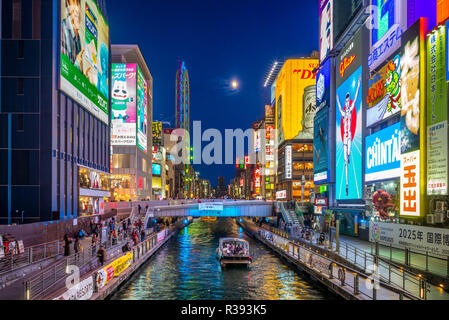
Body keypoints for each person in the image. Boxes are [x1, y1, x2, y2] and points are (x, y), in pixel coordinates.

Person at [337, 74, 362, 196]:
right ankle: (347, 185)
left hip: (349, 135)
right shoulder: (343, 112)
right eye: (346, 100)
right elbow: (338, 106)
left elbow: (356, 98)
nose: (347, 102)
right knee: (345, 162)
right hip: (345, 139)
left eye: (347, 100)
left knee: (348, 154)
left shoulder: (350, 109)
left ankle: (349, 154)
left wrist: (358, 85)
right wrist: (336, 99)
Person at [61, 0, 83, 72]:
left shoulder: (77, 37)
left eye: (78, 3)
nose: (77, 9)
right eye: (73, 2)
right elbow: (63, 68)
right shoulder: (62, 28)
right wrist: (77, 64)